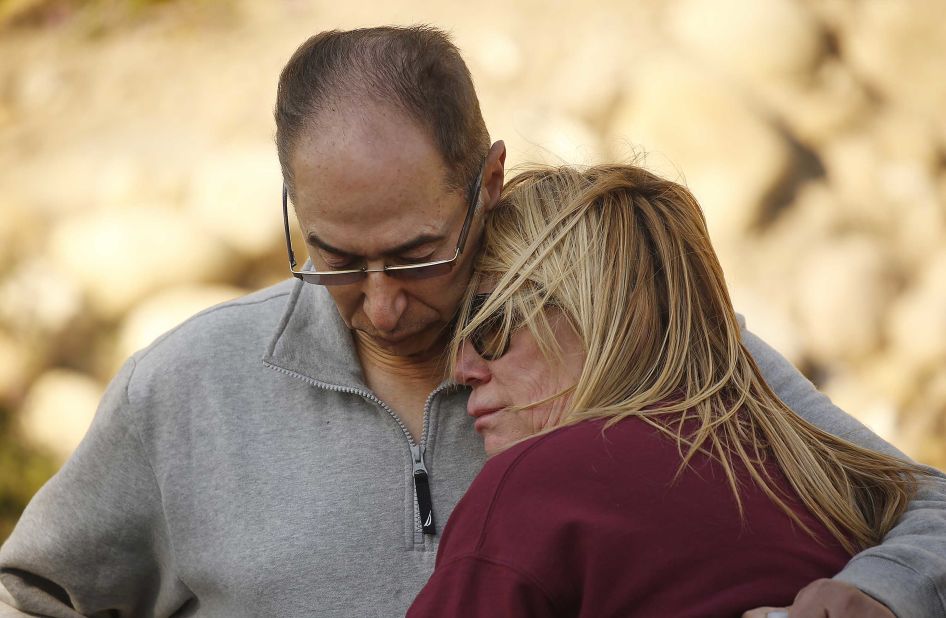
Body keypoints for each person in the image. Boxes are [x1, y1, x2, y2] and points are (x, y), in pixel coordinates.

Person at [1, 26, 944, 617]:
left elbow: (924, 507)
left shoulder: (665, 352)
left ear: (486, 182)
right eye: (334, 258)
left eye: (416, 254)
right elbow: (31, 594)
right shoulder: (186, 386)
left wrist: (881, 593)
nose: (380, 303)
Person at [407, 164, 930, 616]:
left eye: (490, 323)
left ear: (592, 310)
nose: (461, 366)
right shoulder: (820, 481)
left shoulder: (531, 489)